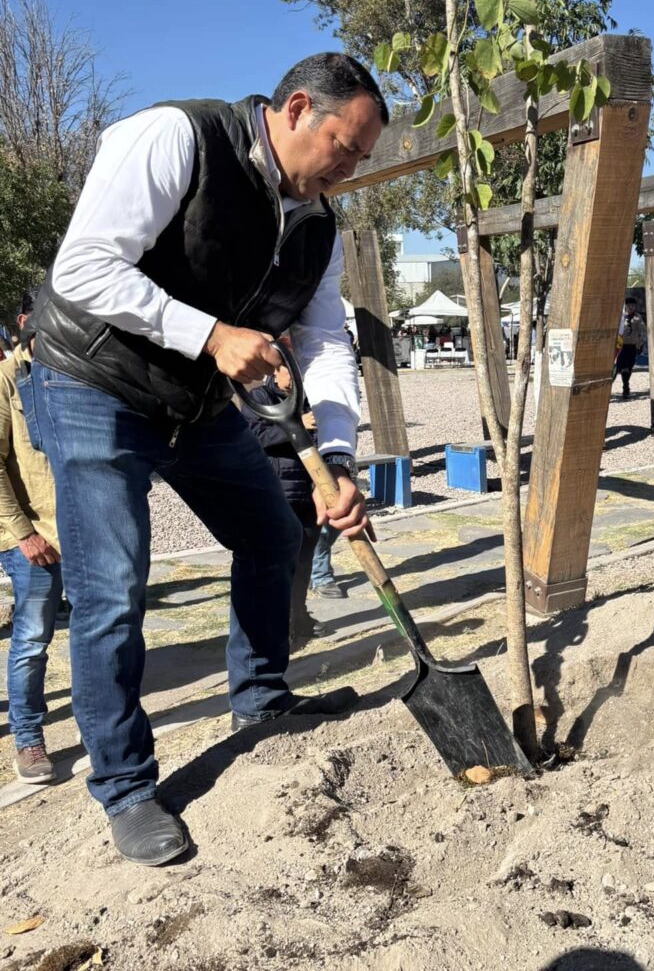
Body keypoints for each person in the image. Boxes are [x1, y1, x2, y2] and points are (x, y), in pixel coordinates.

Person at [30, 52, 386, 866]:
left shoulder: (320, 223)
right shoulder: (178, 137)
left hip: (194, 401)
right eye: (344, 145)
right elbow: (82, 267)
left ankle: (261, 700)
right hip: (94, 382)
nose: (348, 170)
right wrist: (211, 334)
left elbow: (327, 338)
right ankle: (125, 786)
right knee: (112, 590)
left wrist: (338, 452)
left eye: (362, 159)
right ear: (296, 107)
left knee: (272, 533)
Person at [0, 291, 63, 783]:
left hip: (78, 531)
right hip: (31, 539)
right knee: (31, 639)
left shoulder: (73, 373)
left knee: (96, 629)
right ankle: (28, 739)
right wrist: (23, 534)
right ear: (27, 325)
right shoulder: (7, 379)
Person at [238, 362, 326, 649]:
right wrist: (297, 425)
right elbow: (254, 438)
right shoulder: (260, 399)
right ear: (276, 371)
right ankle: (281, 628)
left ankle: (300, 618)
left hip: (308, 491)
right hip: (278, 492)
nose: (298, 378)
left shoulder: (309, 400)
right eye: (292, 371)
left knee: (303, 563)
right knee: (279, 566)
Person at [614, 295, 646, 399]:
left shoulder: (638, 317)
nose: (631, 307)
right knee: (622, 367)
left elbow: (642, 331)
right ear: (625, 306)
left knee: (629, 366)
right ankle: (625, 388)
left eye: (633, 305)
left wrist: (640, 343)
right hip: (621, 346)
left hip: (632, 346)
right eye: (629, 305)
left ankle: (625, 385)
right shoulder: (621, 317)